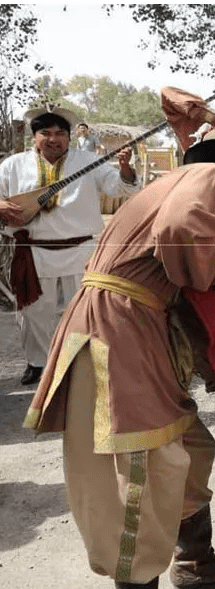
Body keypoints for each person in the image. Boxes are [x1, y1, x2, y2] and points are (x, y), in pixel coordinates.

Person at [22, 126, 215, 589]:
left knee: (192, 447)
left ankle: (195, 561)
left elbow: (187, 297)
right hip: (118, 329)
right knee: (146, 463)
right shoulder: (207, 174)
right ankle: (137, 581)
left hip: (136, 326)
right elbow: (180, 231)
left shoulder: (181, 189)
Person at [0, 105, 137, 386]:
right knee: (35, 312)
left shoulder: (88, 160)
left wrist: (125, 170)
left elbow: (120, 189)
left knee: (84, 309)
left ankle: (82, 363)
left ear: (69, 137)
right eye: (46, 133)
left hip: (81, 249)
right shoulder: (13, 165)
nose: (54, 139)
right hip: (34, 251)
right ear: (33, 137)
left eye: (60, 133)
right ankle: (38, 364)